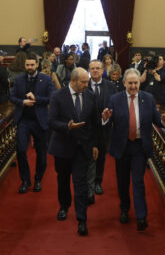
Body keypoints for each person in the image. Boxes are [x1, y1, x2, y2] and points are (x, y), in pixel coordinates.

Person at [102, 68, 165, 231]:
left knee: (138, 181)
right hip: (122, 146)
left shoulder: (148, 98)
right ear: (124, 83)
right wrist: (105, 119)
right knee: (123, 182)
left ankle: (141, 216)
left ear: (140, 83)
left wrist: (164, 121)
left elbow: (157, 120)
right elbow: (108, 120)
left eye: (136, 83)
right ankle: (124, 209)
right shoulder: (115, 99)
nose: (133, 86)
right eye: (130, 83)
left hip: (140, 146)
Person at [48, 68, 100, 236]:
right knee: (63, 180)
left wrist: (94, 145)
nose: (87, 85)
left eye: (87, 82)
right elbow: (52, 121)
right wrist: (67, 127)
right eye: (84, 82)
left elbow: (94, 124)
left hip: (82, 148)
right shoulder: (58, 96)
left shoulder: (90, 95)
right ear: (73, 81)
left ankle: (82, 220)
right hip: (62, 147)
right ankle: (64, 206)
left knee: (81, 184)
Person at [10, 53, 55, 194]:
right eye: (27, 65)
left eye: (32, 65)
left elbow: (52, 97)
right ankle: (25, 180)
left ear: (37, 64)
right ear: (25, 65)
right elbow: (12, 97)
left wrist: (37, 98)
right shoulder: (18, 79)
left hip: (40, 120)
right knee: (21, 150)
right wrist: (22, 102)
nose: (29, 67)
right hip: (24, 119)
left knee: (41, 153)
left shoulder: (46, 79)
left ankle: (38, 180)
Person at [87, 59, 118, 200]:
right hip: (86, 128)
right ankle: (87, 185)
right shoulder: (83, 84)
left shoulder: (111, 86)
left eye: (98, 68)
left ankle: (98, 182)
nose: (95, 70)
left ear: (103, 70)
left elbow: (115, 106)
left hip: (104, 129)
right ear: (89, 70)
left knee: (101, 157)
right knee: (86, 157)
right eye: (92, 68)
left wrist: (108, 120)